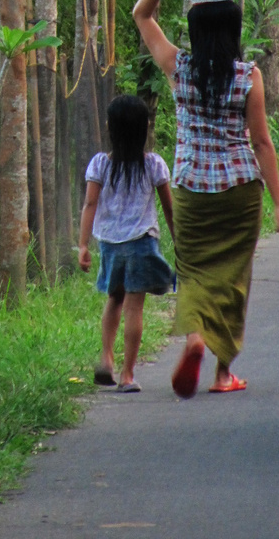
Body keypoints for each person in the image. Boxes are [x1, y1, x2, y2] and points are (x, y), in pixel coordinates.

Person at [133, 0, 279, 398]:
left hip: (191, 190)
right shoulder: (249, 76)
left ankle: (194, 339)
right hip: (240, 190)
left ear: (195, 31)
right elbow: (261, 143)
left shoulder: (178, 68)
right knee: (232, 278)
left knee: (194, 272)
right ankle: (224, 373)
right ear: (234, 31)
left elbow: (141, 16)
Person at [79, 94, 175, 393]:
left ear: (111, 127)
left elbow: (89, 204)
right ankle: (128, 375)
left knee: (114, 299)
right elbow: (169, 208)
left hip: (109, 244)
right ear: (145, 128)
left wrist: (83, 245)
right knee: (135, 307)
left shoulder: (100, 165)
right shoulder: (154, 165)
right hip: (141, 243)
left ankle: (106, 358)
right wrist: (180, 239)